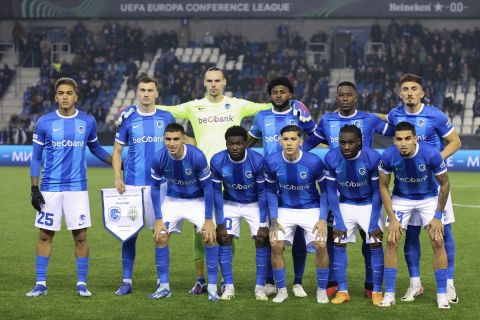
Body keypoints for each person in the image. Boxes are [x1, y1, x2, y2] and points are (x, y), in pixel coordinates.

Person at [117, 66, 311, 294]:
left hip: (232, 175)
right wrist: (131, 109)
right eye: (209, 80)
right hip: (202, 174)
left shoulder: (238, 104)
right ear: (204, 83)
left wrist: (298, 104)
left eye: (217, 80)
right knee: (201, 231)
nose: (213, 84)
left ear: (224, 82)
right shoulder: (193, 106)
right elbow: (160, 107)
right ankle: (201, 278)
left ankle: (226, 281)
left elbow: (271, 105)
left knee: (226, 230)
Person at [303, 81, 394, 297]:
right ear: (336, 98)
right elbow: (309, 144)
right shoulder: (327, 120)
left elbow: (393, 130)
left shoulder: (369, 119)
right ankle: (335, 284)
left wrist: (383, 115)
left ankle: (372, 285)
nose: (345, 98)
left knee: (369, 241)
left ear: (356, 97)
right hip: (340, 187)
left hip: (366, 180)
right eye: (341, 95)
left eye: (349, 95)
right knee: (336, 238)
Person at [27, 77, 111, 297]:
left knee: (81, 237)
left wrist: (117, 162)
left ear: (76, 96)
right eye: (61, 93)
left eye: (69, 93)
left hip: (77, 188)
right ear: (56, 97)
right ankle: (40, 283)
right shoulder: (44, 122)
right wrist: (34, 188)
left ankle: (82, 284)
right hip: (50, 188)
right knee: (45, 236)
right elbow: (36, 158)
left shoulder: (87, 121)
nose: (65, 97)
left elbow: (97, 149)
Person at [385, 73, 461, 303]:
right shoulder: (395, 114)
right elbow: (382, 121)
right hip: (406, 187)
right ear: (400, 93)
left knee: (442, 234)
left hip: (434, 185)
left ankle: (448, 284)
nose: (409, 92)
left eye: (414, 88)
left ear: (422, 93)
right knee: (410, 237)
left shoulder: (435, 115)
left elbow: (455, 141)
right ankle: (415, 284)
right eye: (405, 88)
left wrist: (434, 160)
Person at [247, 76, 317, 298]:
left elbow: (314, 135)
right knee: (271, 234)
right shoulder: (261, 117)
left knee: (297, 238)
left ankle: (297, 282)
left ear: (290, 94)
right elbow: (248, 142)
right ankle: (270, 281)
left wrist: (303, 152)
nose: (279, 95)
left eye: (283, 91)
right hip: (270, 180)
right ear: (270, 95)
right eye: (275, 92)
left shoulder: (298, 113)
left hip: (294, 179)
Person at [112, 75, 175, 296]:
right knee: (128, 234)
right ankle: (126, 281)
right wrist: (118, 177)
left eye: (150, 90)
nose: (146, 94)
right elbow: (117, 151)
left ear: (156, 93)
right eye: (142, 90)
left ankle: (164, 284)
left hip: (161, 186)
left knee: (161, 234)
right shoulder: (128, 119)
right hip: (132, 187)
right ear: (137, 93)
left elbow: (178, 146)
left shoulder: (167, 117)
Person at [378, 121, 450, 310]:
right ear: (394, 140)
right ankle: (389, 295)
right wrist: (392, 218)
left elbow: (445, 184)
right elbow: (383, 186)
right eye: (399, 139)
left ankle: (442, 294)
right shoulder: (387, 155)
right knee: (392, 240)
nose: (403, 143)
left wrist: (437, 216)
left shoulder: (430, 153)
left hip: (428, 198)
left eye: (408, 138)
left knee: (438, 240)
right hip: (402, 198)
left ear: (415, 139)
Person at [149, 123, 219, 301]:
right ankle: (164, 286)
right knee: (160, 236)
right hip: (173, 200)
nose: (171, 143)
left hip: (198, 200)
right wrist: (158, 219)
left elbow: (209, 188)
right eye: (168, 139)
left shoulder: (197, 156)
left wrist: (209, 219)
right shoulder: (159, 157)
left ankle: (211, 287)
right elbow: (155, 189)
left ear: (184, 139)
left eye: (176, 139)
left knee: (209, 236)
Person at [265, 125, 329, 304]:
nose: (289, 143)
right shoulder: (271, 162)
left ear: (301, 141)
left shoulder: (314, 161)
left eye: (293, 139)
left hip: (311, 208)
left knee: (321, 245)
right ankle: (282, 290)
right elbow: (270, 191)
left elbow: (325, 191)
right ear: (280, 141)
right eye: (285, 139)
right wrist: (274, 219)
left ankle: (322, 290)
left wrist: (323, 218)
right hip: (285, 209)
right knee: (275, 244)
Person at [324, 124, 384, 305]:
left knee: (375, 244)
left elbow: (377, 193)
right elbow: (331, 193)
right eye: (342, 142)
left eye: (351, 142)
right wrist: (339, 221)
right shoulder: (332, 157)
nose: (346, 147)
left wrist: (374, 222)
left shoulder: (372, 157)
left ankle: (377, 291)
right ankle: (342, 291)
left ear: (360, 142)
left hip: (368, 205)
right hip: (345, 205)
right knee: (339, 244)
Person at [210, 126, 269, 301]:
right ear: (226, 144)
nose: (235, 147)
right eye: (231, 144)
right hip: (230, 203)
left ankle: (259, 287)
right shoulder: (217, 160)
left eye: (239, 143)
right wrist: (220, 223)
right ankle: (229, 286)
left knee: (261, 239)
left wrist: (264, 224)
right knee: (224, 238)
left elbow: (263, 193)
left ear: (246, 144)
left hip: (254, 204)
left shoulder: (257, 160)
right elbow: (216, 193)